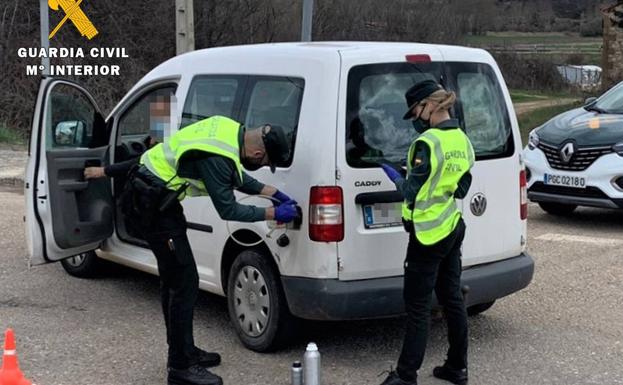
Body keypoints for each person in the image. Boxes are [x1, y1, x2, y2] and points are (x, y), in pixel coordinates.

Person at [122, 115, 299, 385]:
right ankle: (180, 368)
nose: (262, 166)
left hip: (159, 199)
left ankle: (184, 350)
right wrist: (274, 212)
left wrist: (273, 191)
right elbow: (228, 209)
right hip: (150, 204)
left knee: (176, 280)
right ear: (257, 152)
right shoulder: (217, 157)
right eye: (264, 163)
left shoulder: (230, 131)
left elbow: (237, 177)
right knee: (183, 282)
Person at [379, 80, 475, 385]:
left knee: (418, 308)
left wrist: (396, 177)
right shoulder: (463, 139)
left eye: (417, 110)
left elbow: (411, 193)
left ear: (431, 105)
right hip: (451, 226)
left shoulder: (426, 144)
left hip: (426, 235)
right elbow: (462, 185)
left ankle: (406, 376)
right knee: (452, 298)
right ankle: (457, 367)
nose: (416, 118)